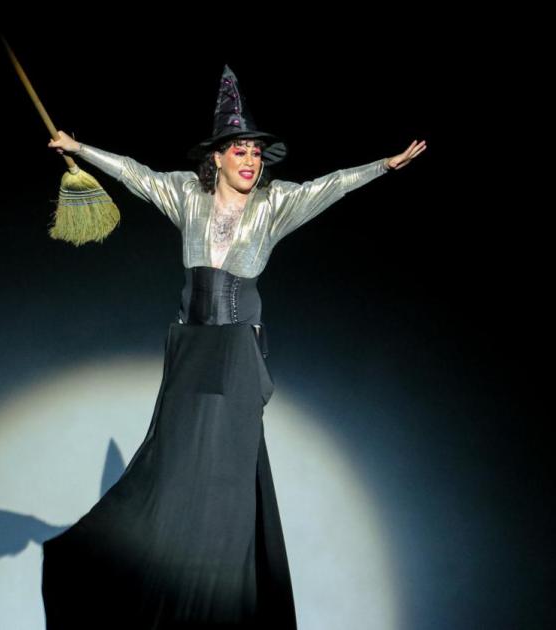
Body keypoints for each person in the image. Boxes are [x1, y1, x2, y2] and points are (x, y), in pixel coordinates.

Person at [41, 65, 425, 629]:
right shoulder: (185, 195)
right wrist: (80, 149)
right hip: (191, 348)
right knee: (173, 471)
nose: (250, 160)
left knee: (226, 483)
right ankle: (160, 589)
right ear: (216, 158)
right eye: (239, 151)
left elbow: (331, 185)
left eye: (256, 153)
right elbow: (135, 173)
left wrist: (382, 167)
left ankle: (224, 605)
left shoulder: (275, 204)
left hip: (239, 354)